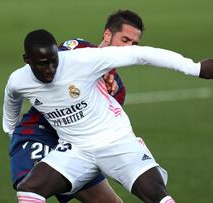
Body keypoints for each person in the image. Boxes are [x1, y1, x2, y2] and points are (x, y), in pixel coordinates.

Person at [3, 29, 213, 203]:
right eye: (43, 64)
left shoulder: (82, 60)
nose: (51, 68)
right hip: (74, 150)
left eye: (54, 60)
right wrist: (11, 129)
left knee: (157, 196)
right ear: (27, 60)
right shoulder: (19, 81)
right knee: (29, 190)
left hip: (116, 142)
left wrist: (195, 68)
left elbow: (139, 54)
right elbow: (12, 100)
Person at [8, 10, 150, 203]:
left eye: (134, 44)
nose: (129, 48)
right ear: (107, 35)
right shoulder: (77, 49)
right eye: (125, 40)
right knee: (32, 189)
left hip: (76, 148)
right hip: (39, 133)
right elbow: (50, 67)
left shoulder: (118, 89)